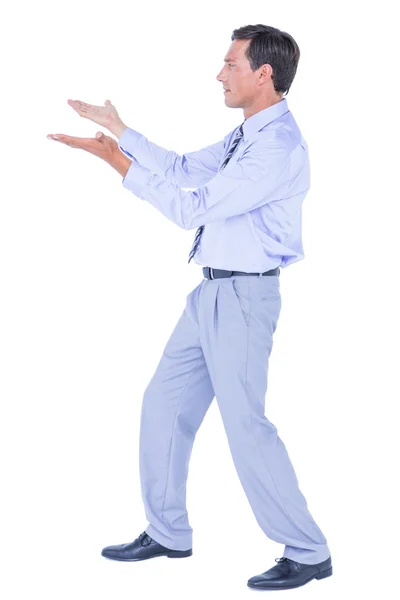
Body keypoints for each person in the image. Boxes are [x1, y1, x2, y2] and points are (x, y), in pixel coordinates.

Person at [47, 23, 332, 591]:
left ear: (264, 74)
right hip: (210, 294)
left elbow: (192, 208)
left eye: (230, 64)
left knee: (246, 427)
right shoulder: (246, 133)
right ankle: (168, 532)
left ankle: (308, 549)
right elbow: (179, 169)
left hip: (246, 297)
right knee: (163, 405)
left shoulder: (275, 147)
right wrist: (119, 132)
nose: (219, 74)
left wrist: (120, 166)